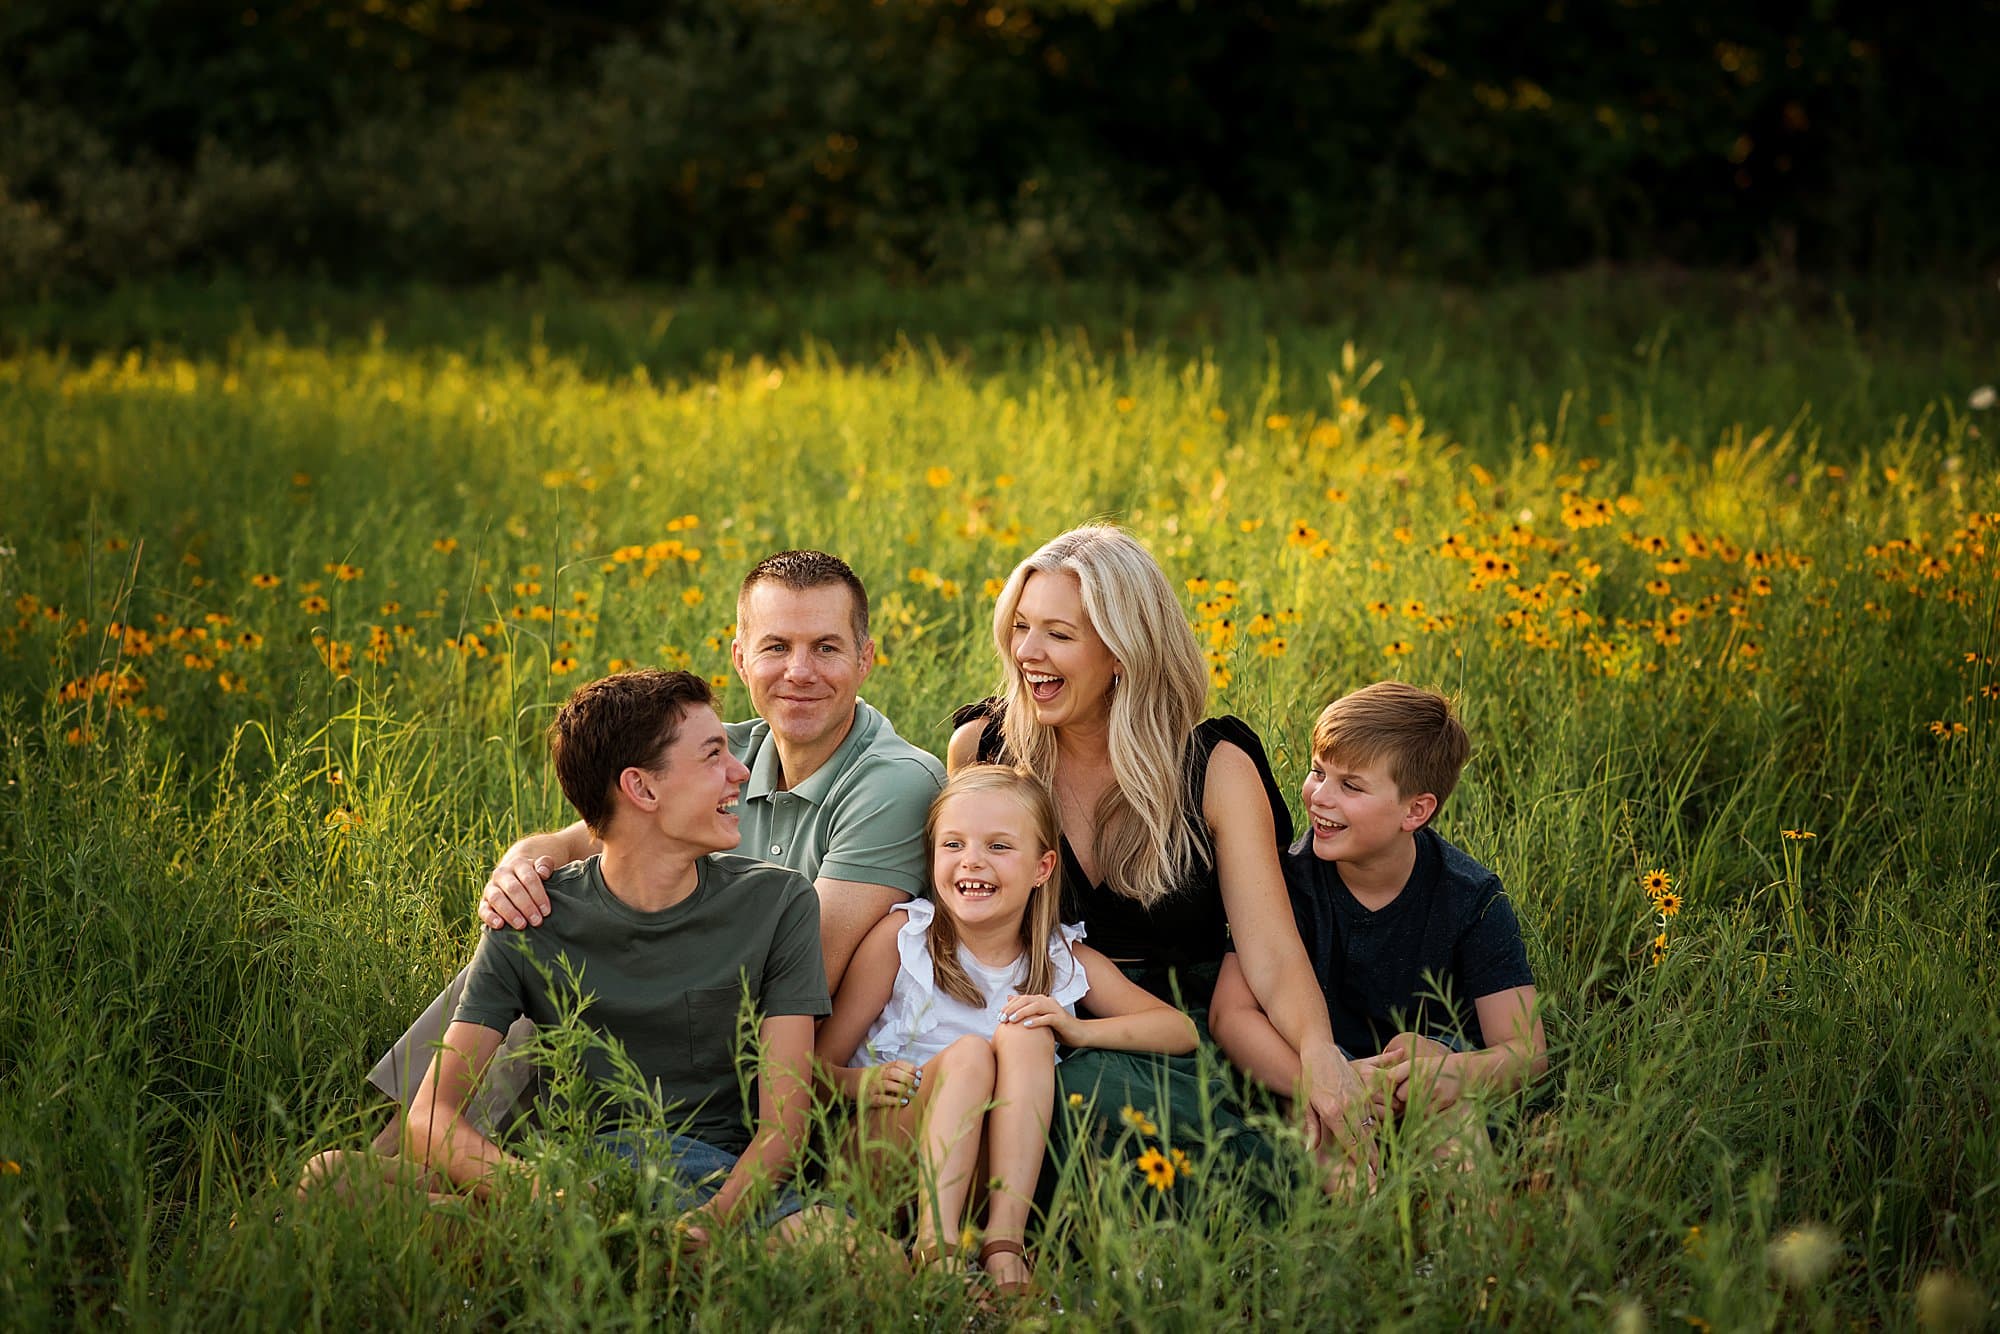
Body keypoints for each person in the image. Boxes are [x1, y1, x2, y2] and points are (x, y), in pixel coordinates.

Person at [364, 550, 944, 1149]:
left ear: (866, 657)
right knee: (533, 928)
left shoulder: (894, 782)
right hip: (695, 1021)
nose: (799, 671)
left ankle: (431, 1159)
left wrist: (622, 980)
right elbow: (593, 835)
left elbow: (804, 972)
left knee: (564, 970)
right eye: (776, 647)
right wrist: (525, 861)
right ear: (741, 659)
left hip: (799, 1058)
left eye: (826, 647)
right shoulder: (729, 750)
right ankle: (419, 1150)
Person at [323, 669, 830, 1241]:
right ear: (642, 788)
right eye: (714, 755)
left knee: (855, 1255)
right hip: (571, 1180)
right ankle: (596, 1258)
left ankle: (629, 1266)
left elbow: (783, 1130)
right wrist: (549, 1198)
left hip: (718, 1182)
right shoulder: (532, 915)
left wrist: (711, 1226)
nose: (741, 772)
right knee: (330, 1179)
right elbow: (429, 1118)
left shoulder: (779, 901)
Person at [947, 524, 1373, 1179]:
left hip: (1179, 1026)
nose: (1028, 652)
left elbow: (1272, 952)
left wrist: (1318, 1053)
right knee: (1041, 1094)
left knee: (1101, 1105)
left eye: (1059, 634)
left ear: (1122, 653)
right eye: (1021, 626)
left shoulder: (1215, 767)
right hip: (1036, 1012)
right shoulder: (987, 750)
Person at [814, 765, 1195, 1291]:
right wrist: (860, 1084)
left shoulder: (1061, 960)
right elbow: (811, 1066)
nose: (972, 860)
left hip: (984, 1179)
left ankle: (1003, 1245)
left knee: (1026, 1031)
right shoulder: (905, 939)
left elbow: (1178, 1029)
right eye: (953, 843)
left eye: (998, 847)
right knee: (971, 1056)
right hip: (880, 1158)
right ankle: (936, 1254)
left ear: (1042, 868)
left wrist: (1077, 1030)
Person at [1207, 682, 1545, 1173]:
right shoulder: (1283, 883)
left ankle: (1470, 1242)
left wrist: (1453, 1074)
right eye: (1318, 772)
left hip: (1428, 1082)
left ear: (1416, 810)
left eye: (1351, 785)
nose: (1319, 797)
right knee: (1321, 1131)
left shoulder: (1470, 897)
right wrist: (1320, 1081)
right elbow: (1229, 1015)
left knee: (1449, 1113)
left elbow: (1528, 1053)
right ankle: (1362, 1234)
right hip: (1311, 1074)